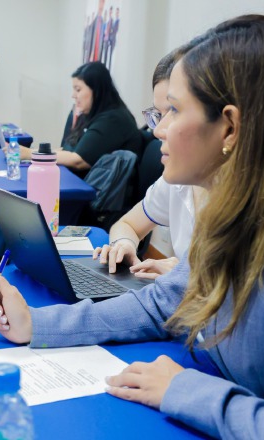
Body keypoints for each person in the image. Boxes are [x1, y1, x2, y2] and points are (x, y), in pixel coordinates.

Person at [0, 15, 264, 439]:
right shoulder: (234, 209)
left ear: (230, 127)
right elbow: (161, 303)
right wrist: (37, 324)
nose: (157, 128)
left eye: (173, 111)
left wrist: (185, 390)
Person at [96, 39, 208, 280]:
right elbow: (127, 224)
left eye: (175, 111)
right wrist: (124, 244)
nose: (158, 131)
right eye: (158, 114)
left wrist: (184, 276)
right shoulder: (178, 180)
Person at [30, 62, 142, 177]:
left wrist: (28, 153)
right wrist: (39, 153)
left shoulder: (113, 120)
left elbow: (78, 160)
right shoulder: (93, 114)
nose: (73, 95)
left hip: (99, 191)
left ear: (96, 91)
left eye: (78, 90)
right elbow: (68, 149)